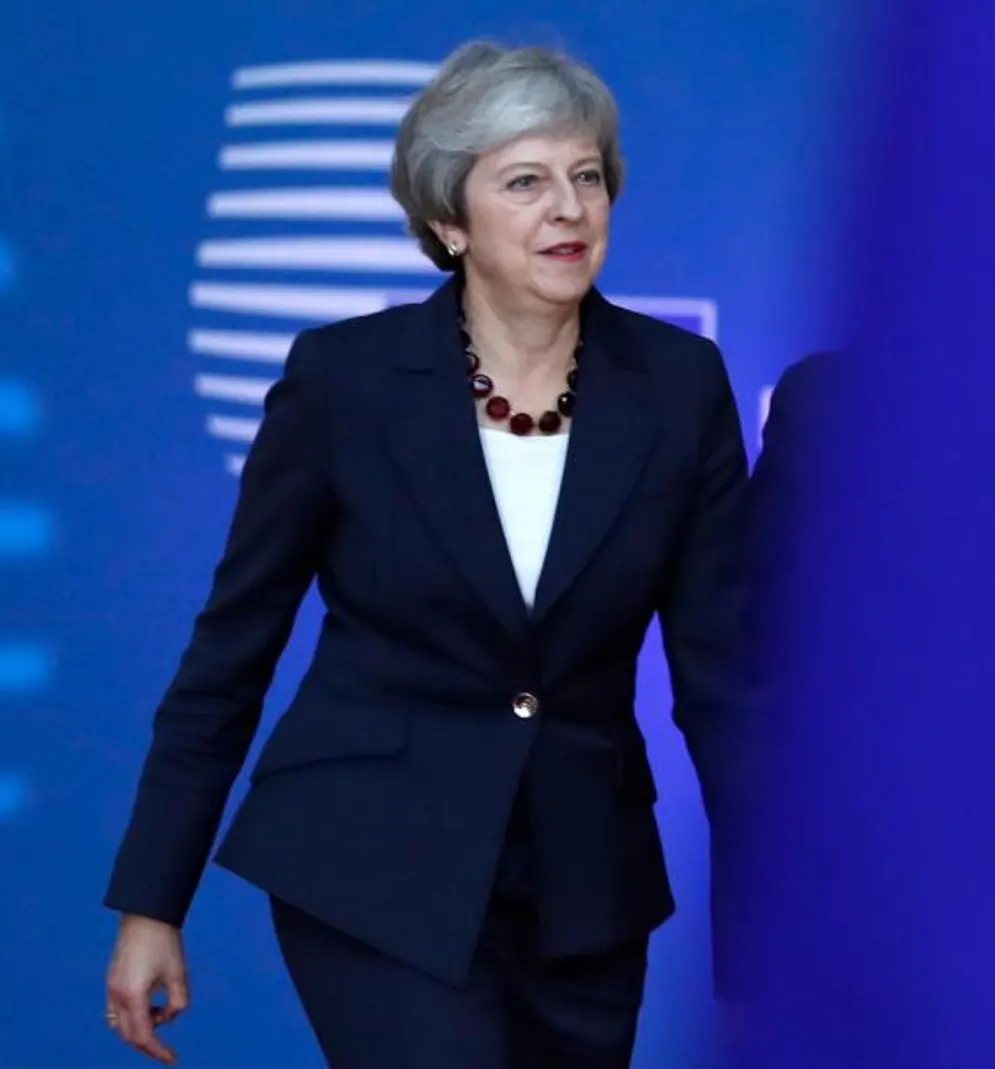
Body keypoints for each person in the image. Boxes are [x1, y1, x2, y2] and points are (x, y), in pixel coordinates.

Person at [101, 40, 750, 1069]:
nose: (569, 209)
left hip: (585, 883)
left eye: (587, 178)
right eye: (526, 182)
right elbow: (233, 649)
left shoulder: (678, 385)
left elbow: (727, 678)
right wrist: (151, 898)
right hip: (369, 865)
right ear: (449, 223)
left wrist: (773, 922)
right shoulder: (344, 382)